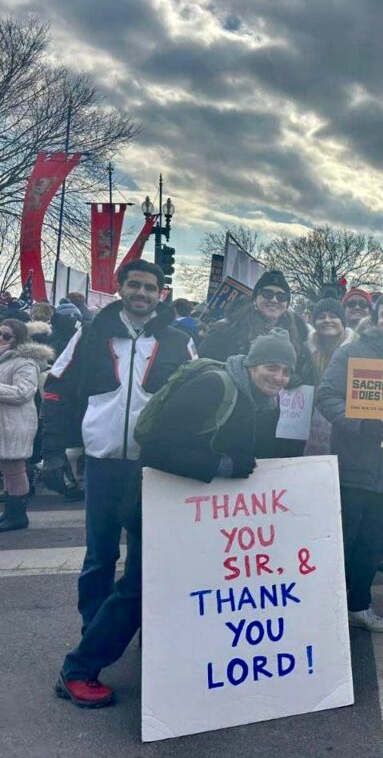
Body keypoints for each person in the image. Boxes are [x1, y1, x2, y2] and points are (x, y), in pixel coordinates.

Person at [55, 330, 293, 708]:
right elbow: (155, 447)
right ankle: (77, 670)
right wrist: (220, 466)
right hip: (158, 506)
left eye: (284, 371)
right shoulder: (214, 385)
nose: (277, 377)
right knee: (136, 589)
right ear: (250, 363)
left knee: (185, 589)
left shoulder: (264, 402)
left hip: (198, 512)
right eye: (270, 367)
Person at [42, 260, 195, 637]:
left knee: (151, 557)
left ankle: (149, 634)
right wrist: (54, 450)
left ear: (161, 294)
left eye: (150, 288)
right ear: (121, 288)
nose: (141, 293)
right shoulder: (92, 333)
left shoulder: (178, 340)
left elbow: (198, 397)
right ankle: (93, 630)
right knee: (100, 555)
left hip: (155, 467)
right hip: (103, 461)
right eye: (135, 285)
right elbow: (55, 389)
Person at [315, 292, 383, 633]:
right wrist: (359, 422)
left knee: (373, 545)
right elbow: (326, 396)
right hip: (353, 466)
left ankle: (360, 605)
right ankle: (326, 608)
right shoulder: (351, 352)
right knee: (342, 541)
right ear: (376, 319)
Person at [199, 270, 313, 386]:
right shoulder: (227, 332)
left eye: (281, 297)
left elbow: (307, 377)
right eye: (267, 294)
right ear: (255, 299)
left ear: (287, 304)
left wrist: (291, 377)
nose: (274, 300)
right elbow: (206, 372)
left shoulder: (298, 340)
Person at [0, 319, 53, 532]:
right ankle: (10, 513)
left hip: (15, 423)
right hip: (5, 422)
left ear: (18, 339)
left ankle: (18, 516)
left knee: (15, 468)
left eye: (6, 336)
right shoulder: (4, 359)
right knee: (7, 469)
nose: (1, 338)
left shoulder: (25, 362)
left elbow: (23, 392)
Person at [309, 296, 347, 384]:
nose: (327, 320)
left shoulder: (355, 353)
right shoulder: (305, 353)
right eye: (321, 317)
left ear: (342, 322)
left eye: (333, 316)